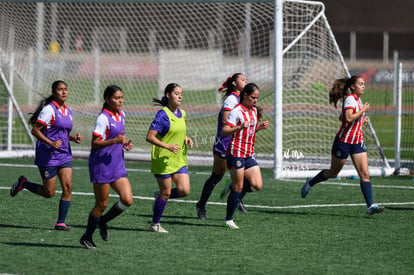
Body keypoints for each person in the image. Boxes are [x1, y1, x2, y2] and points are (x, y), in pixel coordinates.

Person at [301, 75, 384, 215]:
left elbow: (344, 118)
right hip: (344, 142)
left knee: (365, 174)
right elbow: (348, 117)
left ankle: (370, 206)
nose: (363, 86)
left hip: (357, 142)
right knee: (333, 173)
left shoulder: (357, 100)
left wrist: (361, 121)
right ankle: (311, 182)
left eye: (364, 84)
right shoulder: (350, 98)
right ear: (353, 87)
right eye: (361, 84)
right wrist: (363, 110)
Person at [10, 80, 82, 231]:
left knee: (68, 187)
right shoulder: (49, 110)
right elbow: (35, 130)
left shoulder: (68, 111)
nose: (64, 92)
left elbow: (62, 132)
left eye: (65, 89)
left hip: (64, 154)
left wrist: (72, 138)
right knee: (48, 192)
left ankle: (60, 223)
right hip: (48, 155)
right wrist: (50, 143)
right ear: (54, 92)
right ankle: (24, 184)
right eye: (60, 90)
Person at [80, 85, 134, 249]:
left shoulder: (121, 115)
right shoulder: (103, 118)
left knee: (127, 199)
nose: (120, 101)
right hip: (101, 165)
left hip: (116, 164)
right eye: (116, 98)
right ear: (107, 99)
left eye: (121, 97)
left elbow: (117, 139)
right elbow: (95, 143)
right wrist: (115, 141)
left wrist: (123, 145)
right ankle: (87, 236)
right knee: (101, 204)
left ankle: (103, 221)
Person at [196, 73, 249, 220]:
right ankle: (201, 205)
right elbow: (226, 120)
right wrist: (240, 123)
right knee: (217, 176)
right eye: (242, 79)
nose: (246, 81)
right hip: (224, 143)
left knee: (249, 177)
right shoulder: (232, 99)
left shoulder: (243, 99)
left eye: (246, 79)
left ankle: (236, 196)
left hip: (239, 143)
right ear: (234, 83)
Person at [146, 83, 193, 233]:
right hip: (163, 159)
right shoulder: (162, 114)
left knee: (184, 190)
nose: (180, 96)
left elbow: (176, 131)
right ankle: (155, 224)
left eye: (181, 93)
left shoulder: (183, 113)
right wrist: (167, 146)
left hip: (178, 159)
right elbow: (150, 137)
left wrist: (186, 138)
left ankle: (160, 197)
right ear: (168, 95)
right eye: (176, 93)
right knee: (166, 193)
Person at [222, 83, 269, 229]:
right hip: (236, 152)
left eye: (257, 98)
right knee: (239, 186)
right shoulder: (236, 111)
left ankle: (232, 186)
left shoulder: (253, 110)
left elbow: (249, 131)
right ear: (245, 96)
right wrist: (239, 127)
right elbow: (224, 131)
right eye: (253, 97)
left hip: (249, 153)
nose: (255, 100)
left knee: (257, 185)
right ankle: (228, 219)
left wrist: (258, 128)